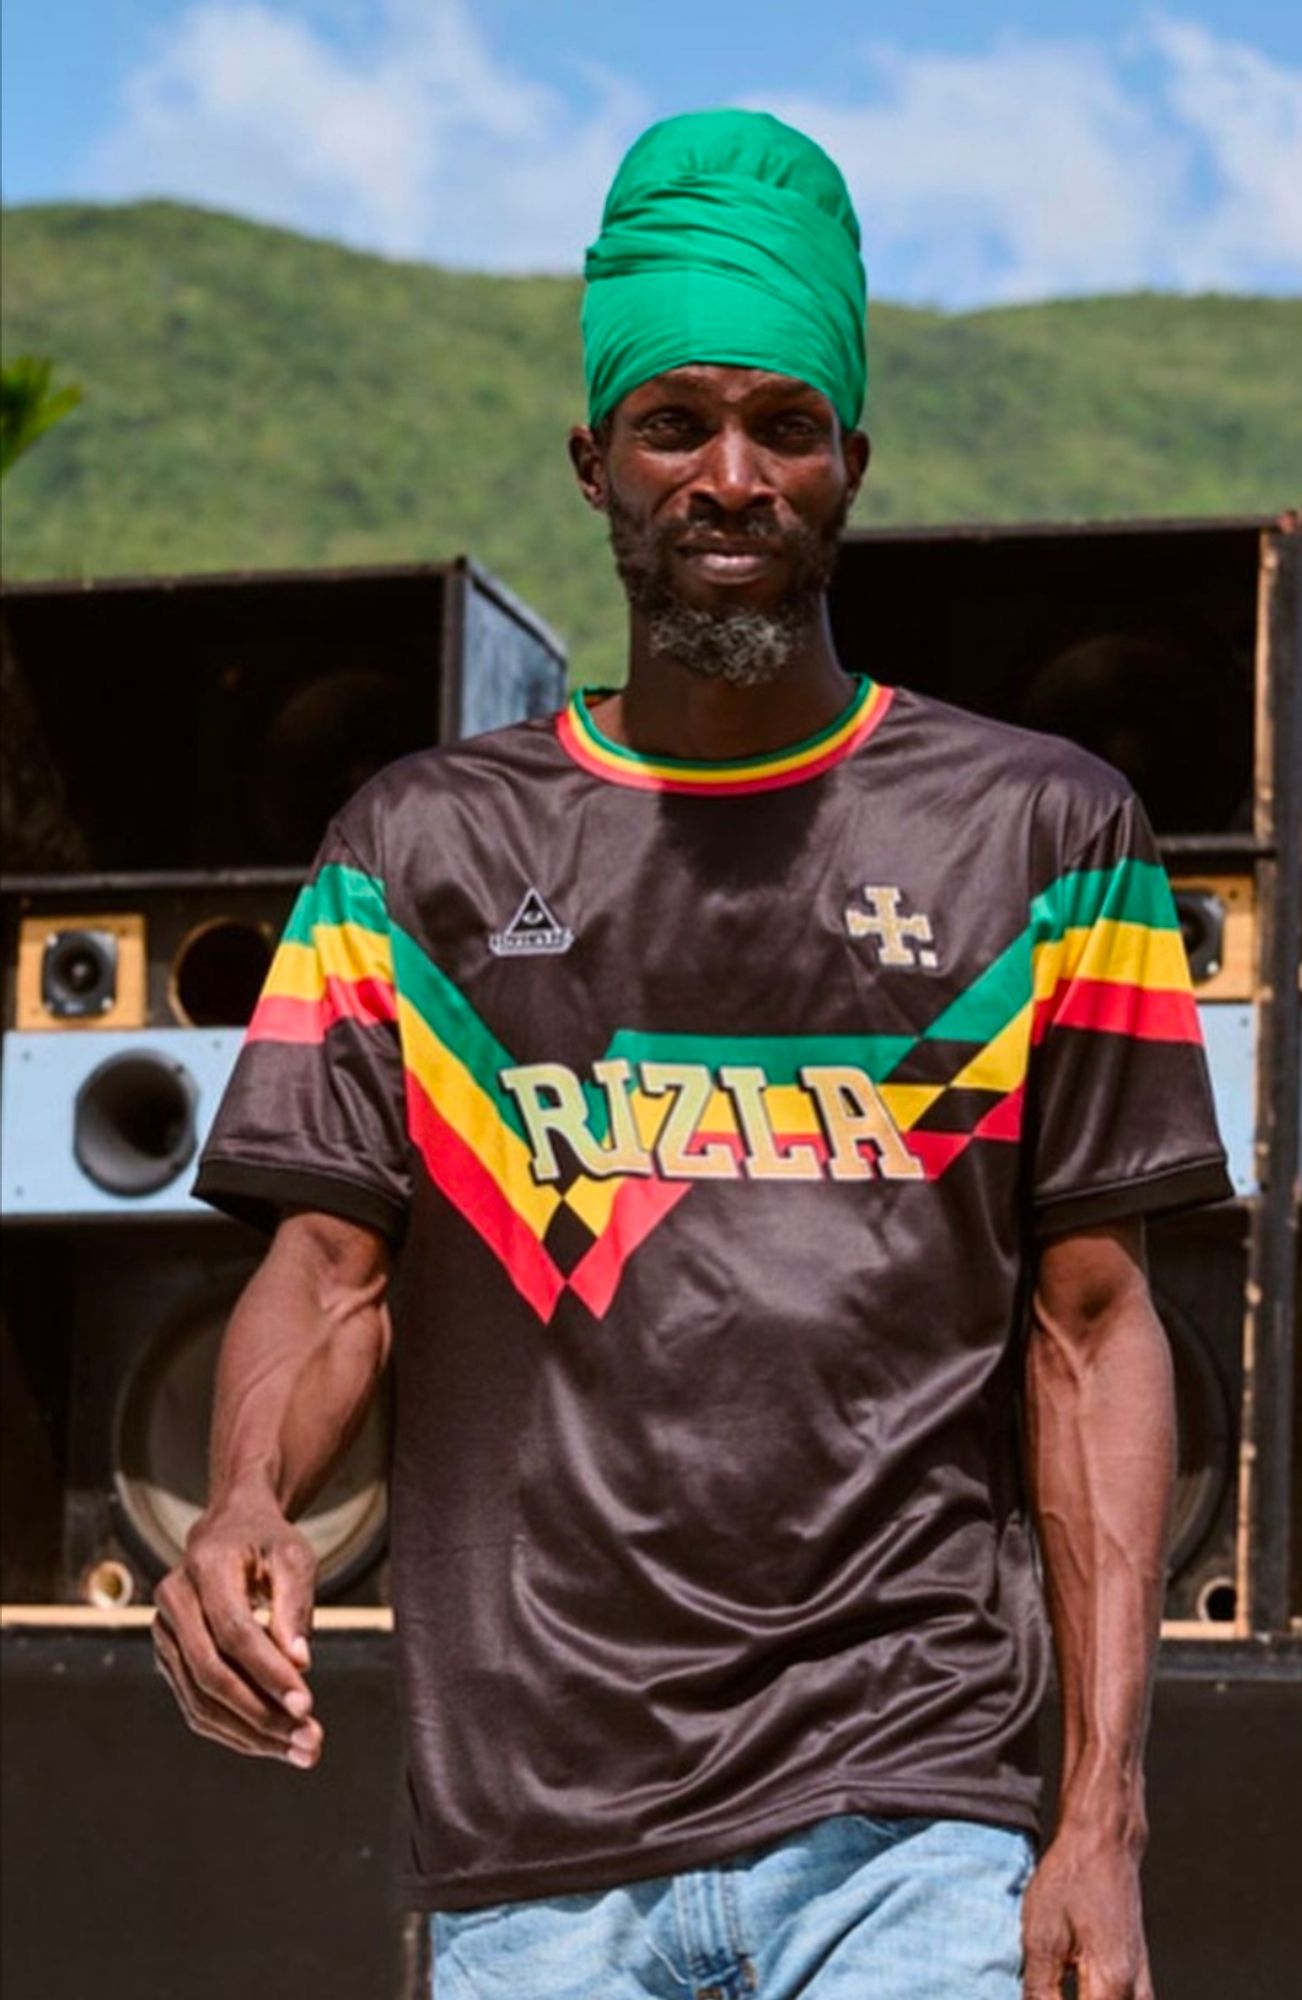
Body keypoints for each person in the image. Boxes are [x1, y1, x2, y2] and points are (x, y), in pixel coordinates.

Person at [155, 109, 1230, 2000]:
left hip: (916, 1833)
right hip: (535, 1866)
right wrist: (248, 1501)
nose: (730, 478)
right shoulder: (418, 854)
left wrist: (1105, 1817)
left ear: (851, 466)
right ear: (594, 460)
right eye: (676, 425)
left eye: (784, 427)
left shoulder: (1050, 834)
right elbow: (327, 1271)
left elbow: (1092, 1326)